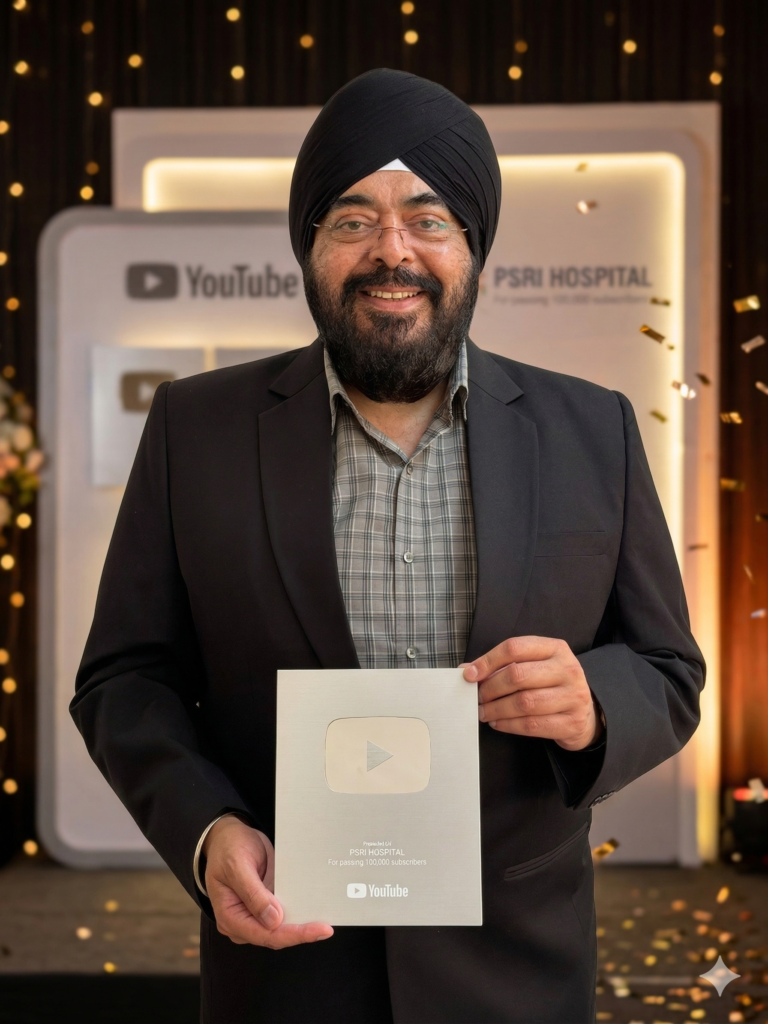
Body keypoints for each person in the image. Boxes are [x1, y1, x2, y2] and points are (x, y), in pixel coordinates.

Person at [72, 69, 705, 1024]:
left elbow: (669, 669)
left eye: (428, 218)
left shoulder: (593, 430)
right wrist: (206, 831)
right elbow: (124, 678)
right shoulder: (193, 428)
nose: (392, 251)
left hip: (518, 969)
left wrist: (596, 704)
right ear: (310, 248)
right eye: (353, 220)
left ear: (474, 249)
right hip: (286, 966)